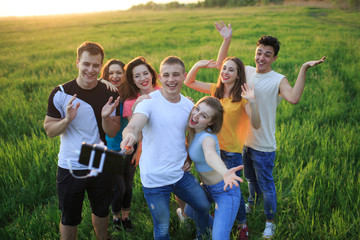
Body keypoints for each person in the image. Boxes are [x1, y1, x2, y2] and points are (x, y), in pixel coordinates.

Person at [215, 22, 326, 239]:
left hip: (263, 144)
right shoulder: (245, 72)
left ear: (274, 58)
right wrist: (226, 39)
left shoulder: (278, 80)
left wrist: (303, 68)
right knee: (249, 180)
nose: (261, 58)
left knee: (266, 185)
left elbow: (293, 98)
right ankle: (251, 204)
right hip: (242, 142)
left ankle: (270, 222)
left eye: (267, 54)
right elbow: (221, 64)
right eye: (259, 53)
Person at [182, 22, 261, 240]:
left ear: (238, 76)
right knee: (212, 182)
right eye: (224, 68)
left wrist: (252, 102)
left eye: (231, 70)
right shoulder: (215, 91)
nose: (225, 72)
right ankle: (212, 219)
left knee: (229, 185)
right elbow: (189, 81)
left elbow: (255, 123)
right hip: (212, 145)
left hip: (231, 151)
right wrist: (199, 64)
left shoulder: (241, 98)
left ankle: (242, 224)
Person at [120, 56, 211, 240]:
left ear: (184, 76)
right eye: (167, 75)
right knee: (162, 229)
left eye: (176, 75)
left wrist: (189, 158)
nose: (171, 80)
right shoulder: (148, 101)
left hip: (180, 173)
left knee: (203, 205)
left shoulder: (188, 105)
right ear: (160, 78)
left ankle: (203, 235)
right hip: (154, 179)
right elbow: (134, 125)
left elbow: (192, 136)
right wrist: (129, 135)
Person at [43, 41, 121, 240]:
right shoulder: (60, 92)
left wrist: (105, 117)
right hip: (70, 163)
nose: (91, 69)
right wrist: (67, 119)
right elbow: (50, 131)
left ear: (101, 66)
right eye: (86, 64)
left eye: (96, 65)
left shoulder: (110, 93)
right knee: (69, 218)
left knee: (102, 210)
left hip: (100, 160)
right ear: (77, 62)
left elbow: (112, 133)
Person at [182, 96, 247, 240]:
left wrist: (225, 173)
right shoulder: (193, 130)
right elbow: (194, 151)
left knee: (219, 238)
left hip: (225, 190)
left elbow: (210, 155)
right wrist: (188, 161)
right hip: (206, 188)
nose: (196, 115)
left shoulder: (207, 137)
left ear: (210, 122)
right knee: (190, 211)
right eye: (197, 109)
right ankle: (217, 226)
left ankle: (220, 230)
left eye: (204, 116)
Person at [99, 59, 137, 231]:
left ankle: (125, 217)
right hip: (112, 149)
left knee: (128, 186)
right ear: (106, 76)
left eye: (119, 72)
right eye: (110, 73)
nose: (114, 76)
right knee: (119, 188)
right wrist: (103, 82)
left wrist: (138, 150)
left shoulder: (131, 95)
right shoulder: (104, 94)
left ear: (125, 75)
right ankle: (115, 218)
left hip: (130, 148)